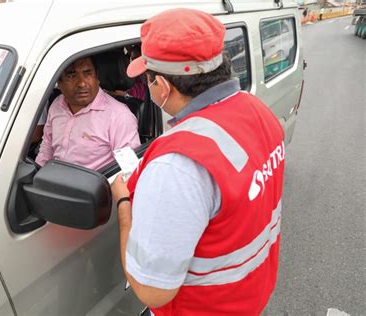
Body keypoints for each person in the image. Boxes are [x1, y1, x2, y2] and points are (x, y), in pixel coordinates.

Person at [111, 8, 286, 315]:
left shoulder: (177, 165)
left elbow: (151, 290)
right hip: (251, 296)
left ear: (163, 87)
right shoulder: (257, 110)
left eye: (148, 80)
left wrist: (123, 203)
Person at [36, 56, 140, 170]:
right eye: (71, 75)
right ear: (58, 83)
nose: (81, 83)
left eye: (87, 73)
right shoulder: (56, 105)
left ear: (97, 78)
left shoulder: (119, 116)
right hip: (51, 182)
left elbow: (129, 170)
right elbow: (46, 149)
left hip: (93, 186)